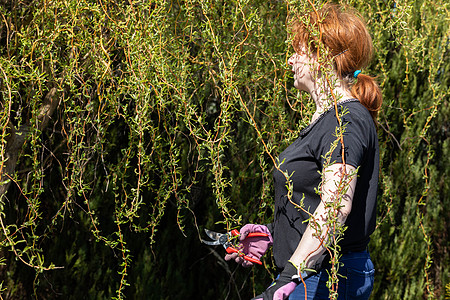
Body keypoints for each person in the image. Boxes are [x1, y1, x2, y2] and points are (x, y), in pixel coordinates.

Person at [225, 3, 382, 300]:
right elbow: (311, 200)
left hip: (326, 278)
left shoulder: (346, 122)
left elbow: (335, 206)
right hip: (312, 275)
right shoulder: (327, 120)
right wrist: (273, 233)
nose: (289, 60)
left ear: (322, 58)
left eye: (297, 52)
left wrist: (290, 275)